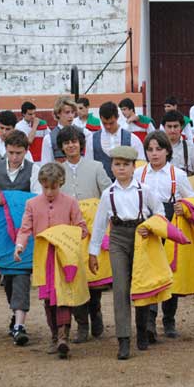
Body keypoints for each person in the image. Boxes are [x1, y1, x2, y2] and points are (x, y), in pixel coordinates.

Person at [88, 146, 165, 360]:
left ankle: (142, 330)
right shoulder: (108, 193)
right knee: (120, 287)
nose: (121, 169)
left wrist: (150, 226)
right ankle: (123, 339)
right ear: (111, 167)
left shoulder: (145, 190)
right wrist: (93, 252)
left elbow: (159, 212)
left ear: (134, 167)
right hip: (118, 237)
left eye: (125, 165)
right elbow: (99, 224)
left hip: (142, 236)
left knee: (141, 284)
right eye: (117, 165)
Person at [14, 163, 88, 359]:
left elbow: (81, 226)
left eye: (53, 187)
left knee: (63, 296)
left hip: (64, 256)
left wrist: (78, 234)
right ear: (41, 184)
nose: (49, 192)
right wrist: (19, 246)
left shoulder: (71, 202)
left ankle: (63, 337)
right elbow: (25, 229)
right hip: (44, 257)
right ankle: (55, 336)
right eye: (45, 187)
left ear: (60, 184)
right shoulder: (32, 203)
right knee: (49, 300)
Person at [0, 130, 41, 346]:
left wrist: (6, 198)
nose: (14, 157)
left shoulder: (34, 170)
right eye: (11, 152)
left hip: (25, 229)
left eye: (19, 153)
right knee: (8, 277)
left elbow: (36, 199)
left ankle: (19, 325)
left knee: (22, 273)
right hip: (2, 229)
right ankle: (16, 313)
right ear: (6, 150)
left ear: (26, 151)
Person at [134, 131, 194, 341]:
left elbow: (193, 199)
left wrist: (184, 208)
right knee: (150, 271)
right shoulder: (138, 174)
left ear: (167, 151)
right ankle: (150, 321)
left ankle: (169, 319)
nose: (154, 154)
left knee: (170, 270)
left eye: (158, 149)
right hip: (148, 224)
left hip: (170, 223)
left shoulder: (177, 174)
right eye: (150, 150)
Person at [56, 126, 112, 343]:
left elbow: (107, 193)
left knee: (93, 276)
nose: (71, 145)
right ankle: (81, 324)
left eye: (74, 141)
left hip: (93, 228)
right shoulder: (58, 170)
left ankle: (95, 311)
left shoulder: (96, 166)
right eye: (66, 142)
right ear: (61, 146)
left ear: (81, 143)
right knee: (73, 277)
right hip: (69, 231)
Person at [85, 101, 145, 180]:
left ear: (117, 117)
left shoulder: (133, 139)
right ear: (100, 118)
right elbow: (89, 166)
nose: (108, 126)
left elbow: (141, 165)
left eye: (111, 123)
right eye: (104, 123)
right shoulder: (91, 139)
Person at [41, 97, 90, 164]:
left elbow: (89, 159)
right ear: (58, 113)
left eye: (72, 112)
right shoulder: (49, 138)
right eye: (67, 112)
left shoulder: (85, 133)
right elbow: (46, 164)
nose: (71, 116)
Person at [161, 110, 194, 179]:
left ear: (181, 127)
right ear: (164, 127)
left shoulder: (192, 149)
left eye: (175, 126)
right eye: (169, 126)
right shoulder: (157, 149)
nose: (172, 130)